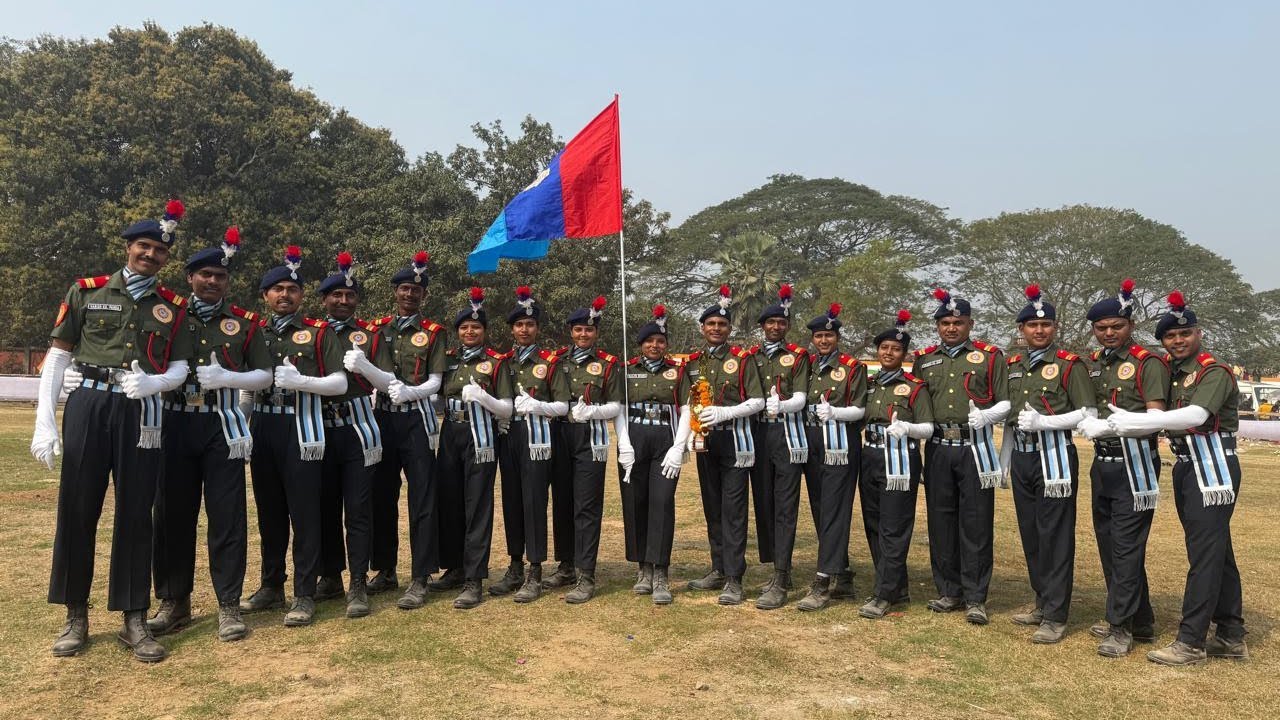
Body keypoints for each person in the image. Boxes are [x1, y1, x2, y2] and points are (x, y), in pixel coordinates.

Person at [34, 200, 194, 662]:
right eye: (144, 246)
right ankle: (75, 616)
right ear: (128, 247)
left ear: (166, 258)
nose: (150, 255)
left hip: (141, 410)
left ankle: (133, 617)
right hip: (89, 403)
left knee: (135, 513)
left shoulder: (171, 307)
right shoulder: (86, 291)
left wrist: (156, 382)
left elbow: (181, 367)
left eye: (159, 251)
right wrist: (46, 421)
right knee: (78, 509)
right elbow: (59, 355)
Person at [144, 227, 271, 643]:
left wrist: (228, 377)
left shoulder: (245, 324)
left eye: (220, 276)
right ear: (190, 277)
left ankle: (229, 606)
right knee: (171, 515)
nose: (213, 281)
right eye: (205, 275)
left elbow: (264, 375)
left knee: (227, 516)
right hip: (176, 421)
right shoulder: (169, 314)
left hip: (222, 425)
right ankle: (173, 602)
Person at [1109, 291, 1248, 665]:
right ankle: (1231, 634)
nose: (1178, 340)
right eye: (1170, 336)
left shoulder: (1211, 371)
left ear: (1198, 333)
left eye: (1185, 333)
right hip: (1188, 465)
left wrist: (1138, 421)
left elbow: (1196, 416)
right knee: (1217, 551)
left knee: (1203, 554)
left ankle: (1191, 641)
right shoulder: (1172, 373)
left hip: (1213, 466)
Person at [240, 246, 348, 627]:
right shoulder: (255, 332)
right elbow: (248, 389)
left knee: (305, 512)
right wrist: (240, 425)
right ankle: (271, 584)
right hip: (264, 427)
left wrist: (303, 381)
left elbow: (340, 382)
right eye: (277, 289)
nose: (284, 295)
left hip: (303, 427)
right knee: (269, 510)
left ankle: (304, 592)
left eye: (292, 289)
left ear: (302, 296)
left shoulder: (318, 334)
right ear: (265, 295)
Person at [347, 251, 447, 610]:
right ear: (395, 292)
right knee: (381, 494)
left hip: (417, 418)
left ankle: (421, 576)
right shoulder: (375, 330)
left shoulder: (433, 333)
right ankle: (385, 569)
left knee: (422, 496)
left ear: (423, 296)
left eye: (416, 291)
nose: (409, 295)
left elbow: (436, 381)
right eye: (404, 288)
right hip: (382, 417)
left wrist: (411, 391)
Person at [1076, 279, 1168, 657]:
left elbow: (1156, 417)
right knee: (1109, 543)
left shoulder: (1148, 363)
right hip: (1104, 464)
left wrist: (1111, 425)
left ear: (1130, 326)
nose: (1109, 333)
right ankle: (1140, 618)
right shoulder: (1095, 365)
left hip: (1137, 464)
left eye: (1116, 326)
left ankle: (1120, 627)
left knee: (1127, 546)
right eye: (1102, 328)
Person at [910, 288, 1008, 625]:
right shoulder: (923, 359)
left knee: (976, 521)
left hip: (975, 447)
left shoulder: (991, 356)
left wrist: (987, 416)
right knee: (941, 520)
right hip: (937, 447)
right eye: (946, 323)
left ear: (970, 323)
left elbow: (1004, 402)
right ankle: (948, 590)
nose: (952, 328)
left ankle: (976, 596)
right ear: (937, 325)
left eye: (959, 322)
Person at [1006, 284, 1096, 644]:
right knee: (1030, 533)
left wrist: (1047, 422)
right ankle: (1042, 600)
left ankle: (1057, 614)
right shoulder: (1013, 366)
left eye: (1045, 326)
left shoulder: (1070, 365)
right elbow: (1011, 418)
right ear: (1021, 330)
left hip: (1055, 455)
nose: (1038, 331)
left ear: (1054, 328)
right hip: (1022, 456)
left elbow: (1087, 413)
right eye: (1031, 326)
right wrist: (1003, 459)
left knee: (1055, 535)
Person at [685, 285, 767, 605]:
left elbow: (758, 401)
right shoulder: (694, 362)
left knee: (733, 509)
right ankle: (718, 567)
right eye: (711, 324)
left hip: (736, 439)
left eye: (722, 324)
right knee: (712, 506)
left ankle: (734, 577)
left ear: (729, 328)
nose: (716, 329)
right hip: (706, 439)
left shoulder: (742, 360)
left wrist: (725, 411)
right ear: (703, 328)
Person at [314, 252, 385, 619]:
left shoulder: (371, 336)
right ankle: (330, 575)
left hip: (359, 428)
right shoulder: (310, 333)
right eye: (335, 296)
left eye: (349, 296)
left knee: (357, 509)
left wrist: (368, 367)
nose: (343, 301)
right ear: (323, 299)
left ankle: (358, 581)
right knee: (323, 506)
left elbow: (390, 382)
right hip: (319, 427)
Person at [434, 288, 514, 609]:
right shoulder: (449, 361)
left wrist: (485, 399)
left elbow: (507, 407)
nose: (470, 331)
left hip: (480, 436)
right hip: (450, 431)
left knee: (477, 504)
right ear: (458, 332)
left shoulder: (496, 363)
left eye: (476, 327)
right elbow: (438, 396)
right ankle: (454, 567)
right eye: (464, 327)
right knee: (449, 501)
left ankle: (474, 578)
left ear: (485, 332)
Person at [613, 305, 692, 605]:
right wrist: (623, 444)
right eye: (649, 341)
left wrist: (678, 446)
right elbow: (619, 409)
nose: (655, 346)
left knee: (662, 502)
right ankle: (642, 568)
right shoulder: (628, 368)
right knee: (636, 502)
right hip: (634, 440)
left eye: (660, 341)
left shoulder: (677, 371)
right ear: (641, 344)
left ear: (666, 345)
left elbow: (686, 410)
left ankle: (661, 571)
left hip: (664, 441)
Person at [858, 311, 934, 619]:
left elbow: (927, 427)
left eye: (896, 349)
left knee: (894, 526)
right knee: (873, 523)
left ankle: (884, 593)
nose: (888, 352)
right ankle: (896, 586)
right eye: (884, 347)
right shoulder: (870, 383)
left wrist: (909, 429)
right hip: (871, 456)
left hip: (900, 458)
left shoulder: (915, 386)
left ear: (904, 355)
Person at [497, 286, 569, 602]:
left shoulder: (549, 362)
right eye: (519, 325)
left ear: (537, 328)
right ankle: (514, 565)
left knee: (534, 501)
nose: (524, 330)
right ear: (512, 329)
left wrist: (538, 407)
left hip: (538, 437)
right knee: (511, 500)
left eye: (529, 324)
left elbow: (563, 406)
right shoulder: (502, 362)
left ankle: (535, 570)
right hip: (507, 434)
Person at [550, 296, 622, 603]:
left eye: (589, 331)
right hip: (559, 434)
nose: (583, 335)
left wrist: (592, 413)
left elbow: (616, 405)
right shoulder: (555, 361)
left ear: (596, 334)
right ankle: (566, 564)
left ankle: (586, 573)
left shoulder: (607, 364)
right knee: (562, 502)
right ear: (570, 331)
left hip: (590, 438)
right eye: (578, 330)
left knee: (587, 506)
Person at [795, 304, 867, 611]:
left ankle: (823, 583)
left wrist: (835, 412)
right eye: (819, 336)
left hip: (840, 444)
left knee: (835, 510)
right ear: (813, 339)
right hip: (811, 442)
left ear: (837, 337)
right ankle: (844, 573)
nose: (824, 341)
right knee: (821, 508)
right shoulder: (807, 365)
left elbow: (861, 408)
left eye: (829, 335)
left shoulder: (852, 367)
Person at [748, 285, 811, 610]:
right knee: (764, 502)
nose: (776, 327)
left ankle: (782, 575)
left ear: (787, 326)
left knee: (786, 506)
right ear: (763, 326)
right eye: (770, 323)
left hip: (787, 436)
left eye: (781, 323)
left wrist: (782, 406)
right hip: (757, 435)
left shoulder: (797, 357)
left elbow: (800, 397)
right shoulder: (750, 357)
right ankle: (774, 566)